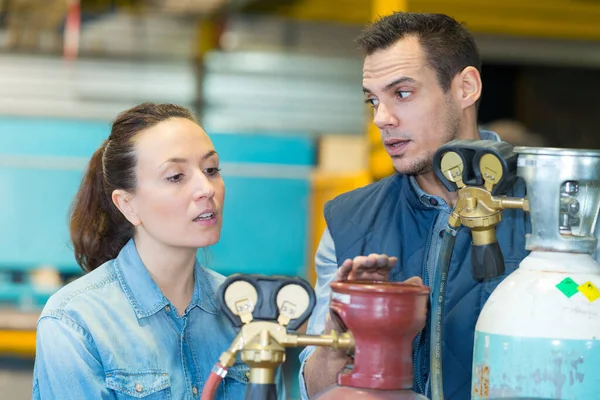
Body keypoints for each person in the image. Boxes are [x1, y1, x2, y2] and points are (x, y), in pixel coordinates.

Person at [299, 12, 529, 400]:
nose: (381, 119)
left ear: (466, 88)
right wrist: (343, 332)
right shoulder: (348, 220)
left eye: (402, 94)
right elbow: (314, 389)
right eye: (373, 100)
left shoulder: (548, 208)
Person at [32, 103, 284, 399]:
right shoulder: (75, 322)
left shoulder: (246, 314)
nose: (206, 188)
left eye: (211, 169)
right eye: (176, 176)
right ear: (128, 204)